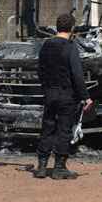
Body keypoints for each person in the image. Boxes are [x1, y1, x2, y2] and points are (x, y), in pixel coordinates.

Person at [35, 14, 93, 179]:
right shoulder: (70, 47)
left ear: (57, 26)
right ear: (72, 28)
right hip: (66, 94)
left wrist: (45, 88)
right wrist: (86, 97)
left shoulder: (46, 45)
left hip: (49, 93)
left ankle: (41, 165)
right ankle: (59, 167)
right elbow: (77, 74)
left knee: (47, 127)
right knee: (64, 129)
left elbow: (40, 69)